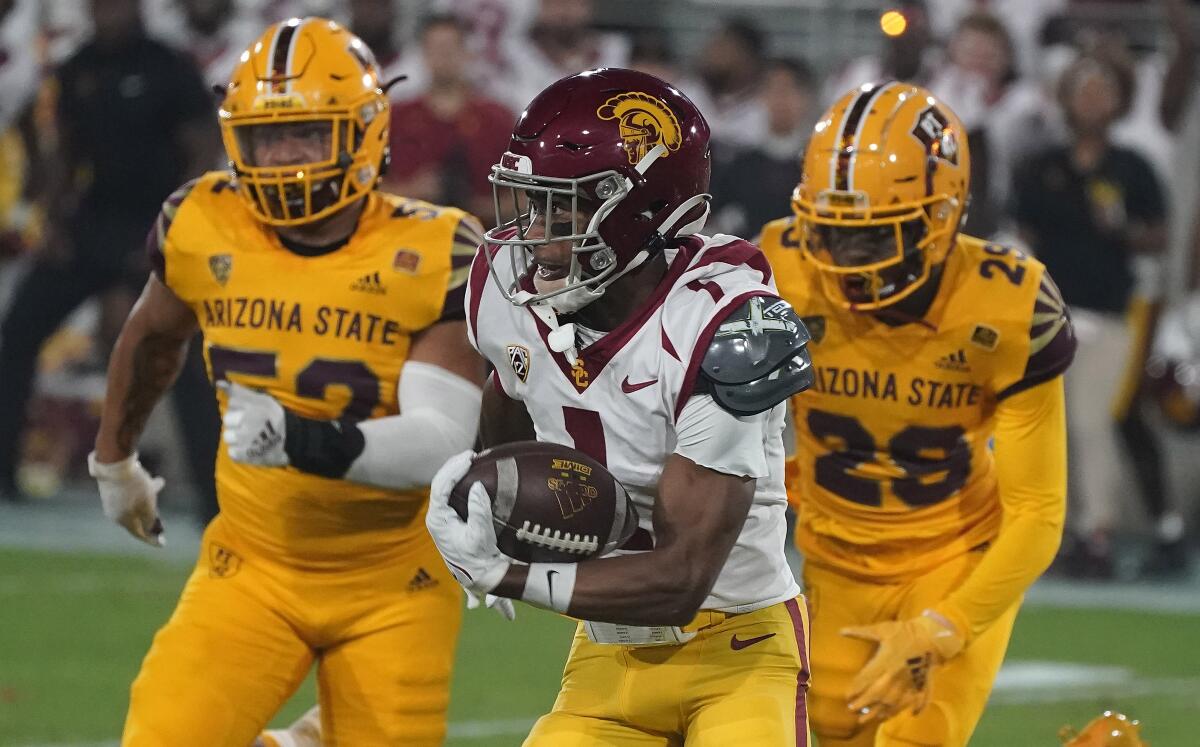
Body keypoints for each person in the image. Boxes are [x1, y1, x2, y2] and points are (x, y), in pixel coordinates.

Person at [88, 18, 486, 745]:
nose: (284, 158)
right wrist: (113, 460)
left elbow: (440, 440)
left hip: (394, 576)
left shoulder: (437, 248)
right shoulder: (203, 219)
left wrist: (301, 438)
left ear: (364, 131)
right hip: (253, 561)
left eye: (307, 134)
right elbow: (150, 339)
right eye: (266, 138)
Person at [430, 67, 814, 745]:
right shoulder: (506, 284)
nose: (538, 234)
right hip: (606, 658)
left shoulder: (726, 326)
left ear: (648, 213)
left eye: (567, 208)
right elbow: (515, 384)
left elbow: (682, 578)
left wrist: (509, 573)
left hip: (738, 651)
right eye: (534, 203)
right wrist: (487, 492)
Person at [757, 83, 1075, 746]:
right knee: (835, 727)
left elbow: (1039, 511)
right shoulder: (783, 263)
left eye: (869, 238)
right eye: (831, 232)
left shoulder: (1008, 307)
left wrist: (945, 624)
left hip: (950, 557)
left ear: (944, 215)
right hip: (833, 554)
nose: (841, 263)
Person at [0, 0, 216, 501]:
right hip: (92, 223)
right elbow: (66, 152)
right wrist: (52, 222)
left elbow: (201, 153)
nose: (107, 14)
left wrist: (172, 228)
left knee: (182, 352)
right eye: (99, 6)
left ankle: (213, 493)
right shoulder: (80, 67)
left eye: (116, 6)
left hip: (154, 223)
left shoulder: (171, 66)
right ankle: (3, 473)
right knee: (18, 332)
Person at [1013, 51, 1171, 578]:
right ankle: (1052, 532)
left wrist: (1123, 228)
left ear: (1120, 100)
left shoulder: (1132, 166)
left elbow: (1159, 235)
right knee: (1044, 428)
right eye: (1084, 89)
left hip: (1107, 314)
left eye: (1103, 89)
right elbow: (1024, 234)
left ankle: (1095, 532)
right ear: (1066, 98)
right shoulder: (1043, 164)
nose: (1093, 99)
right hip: (1047, 314)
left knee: (1089, 423)